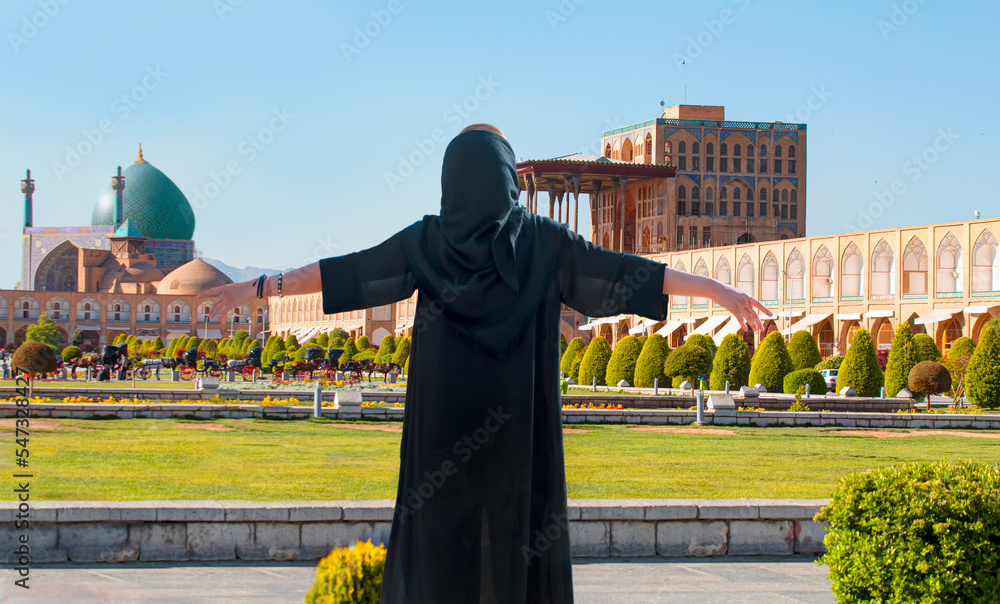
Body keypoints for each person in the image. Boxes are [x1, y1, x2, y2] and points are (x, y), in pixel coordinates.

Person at [200, 124, 770, 603]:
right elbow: (628, 272)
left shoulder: (426, 242)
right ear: (505, 178)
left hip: (441, 437)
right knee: (517, 542)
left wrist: (258, 287)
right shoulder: (544, 243)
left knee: (440, 545)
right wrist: (717, 290)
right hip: (516, 437)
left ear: (453, 180)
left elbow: (346, 271)